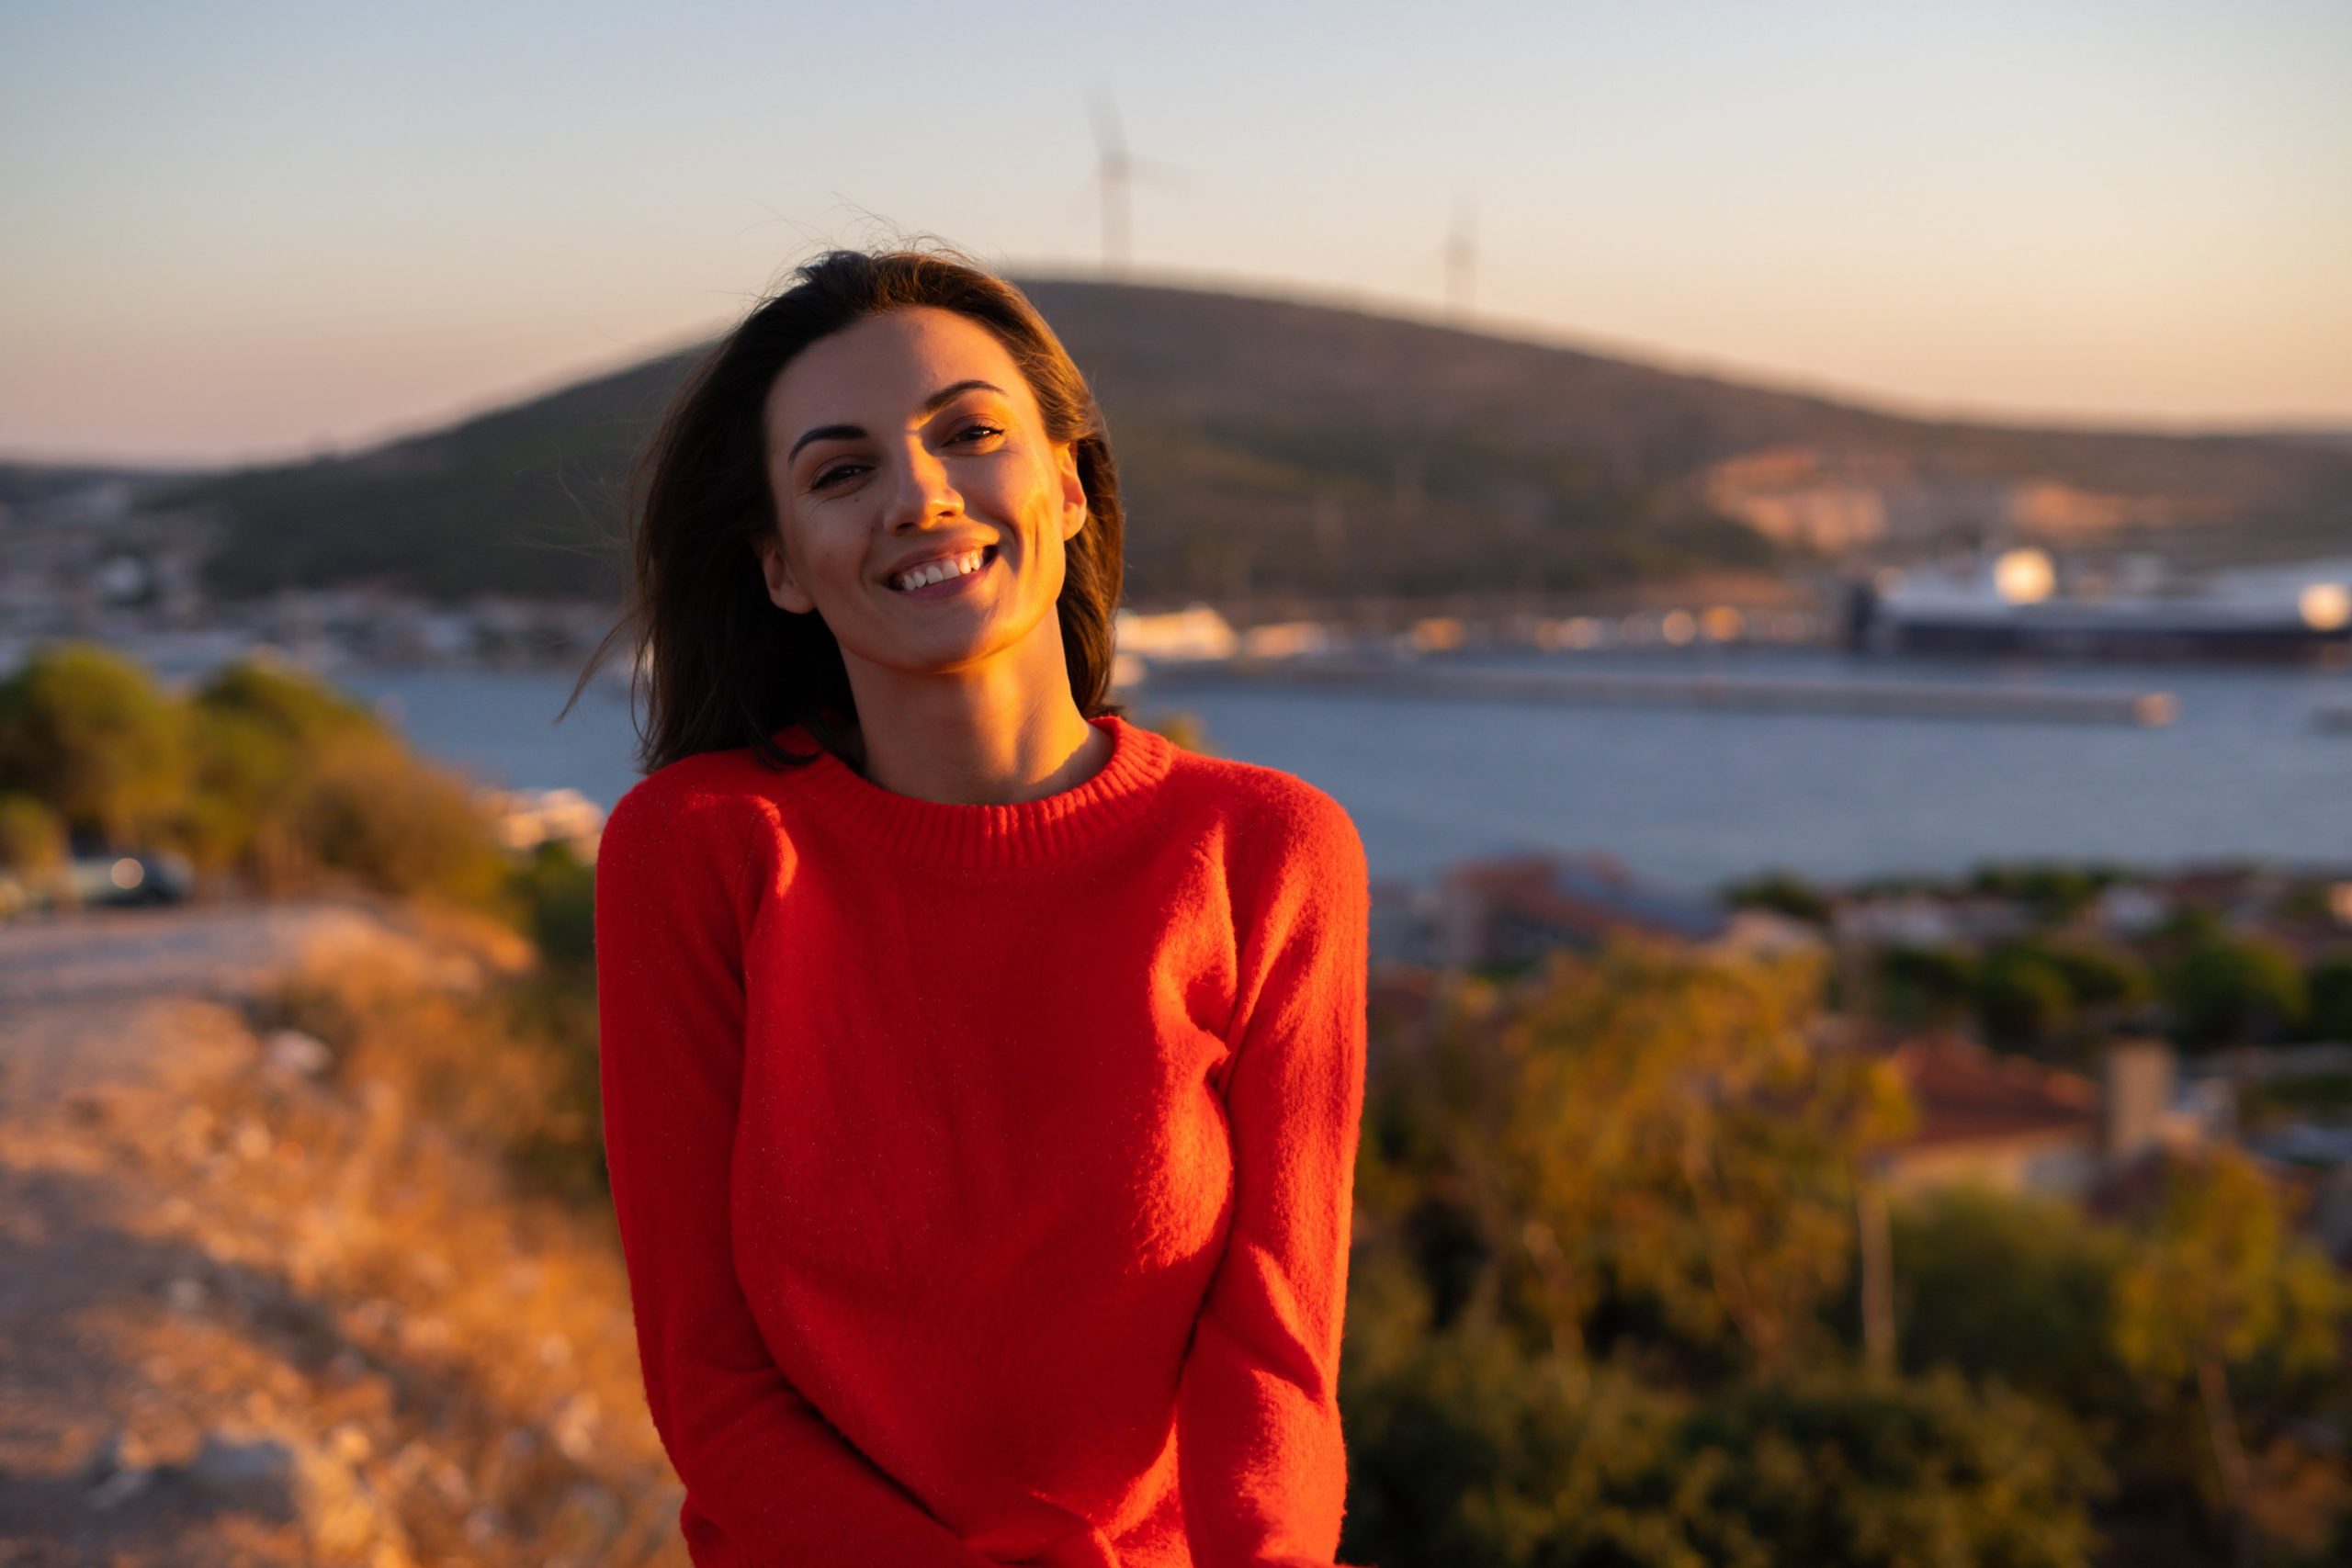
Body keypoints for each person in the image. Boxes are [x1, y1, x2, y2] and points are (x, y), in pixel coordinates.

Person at [587, 246, 1371, 1568]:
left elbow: (1274, 1356)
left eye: (970, 435)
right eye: (843, 472)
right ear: (782, 565)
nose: (921, 495)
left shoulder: (1267, 850)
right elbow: (712, 1388)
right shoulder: (702, 852)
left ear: (1067, 487)